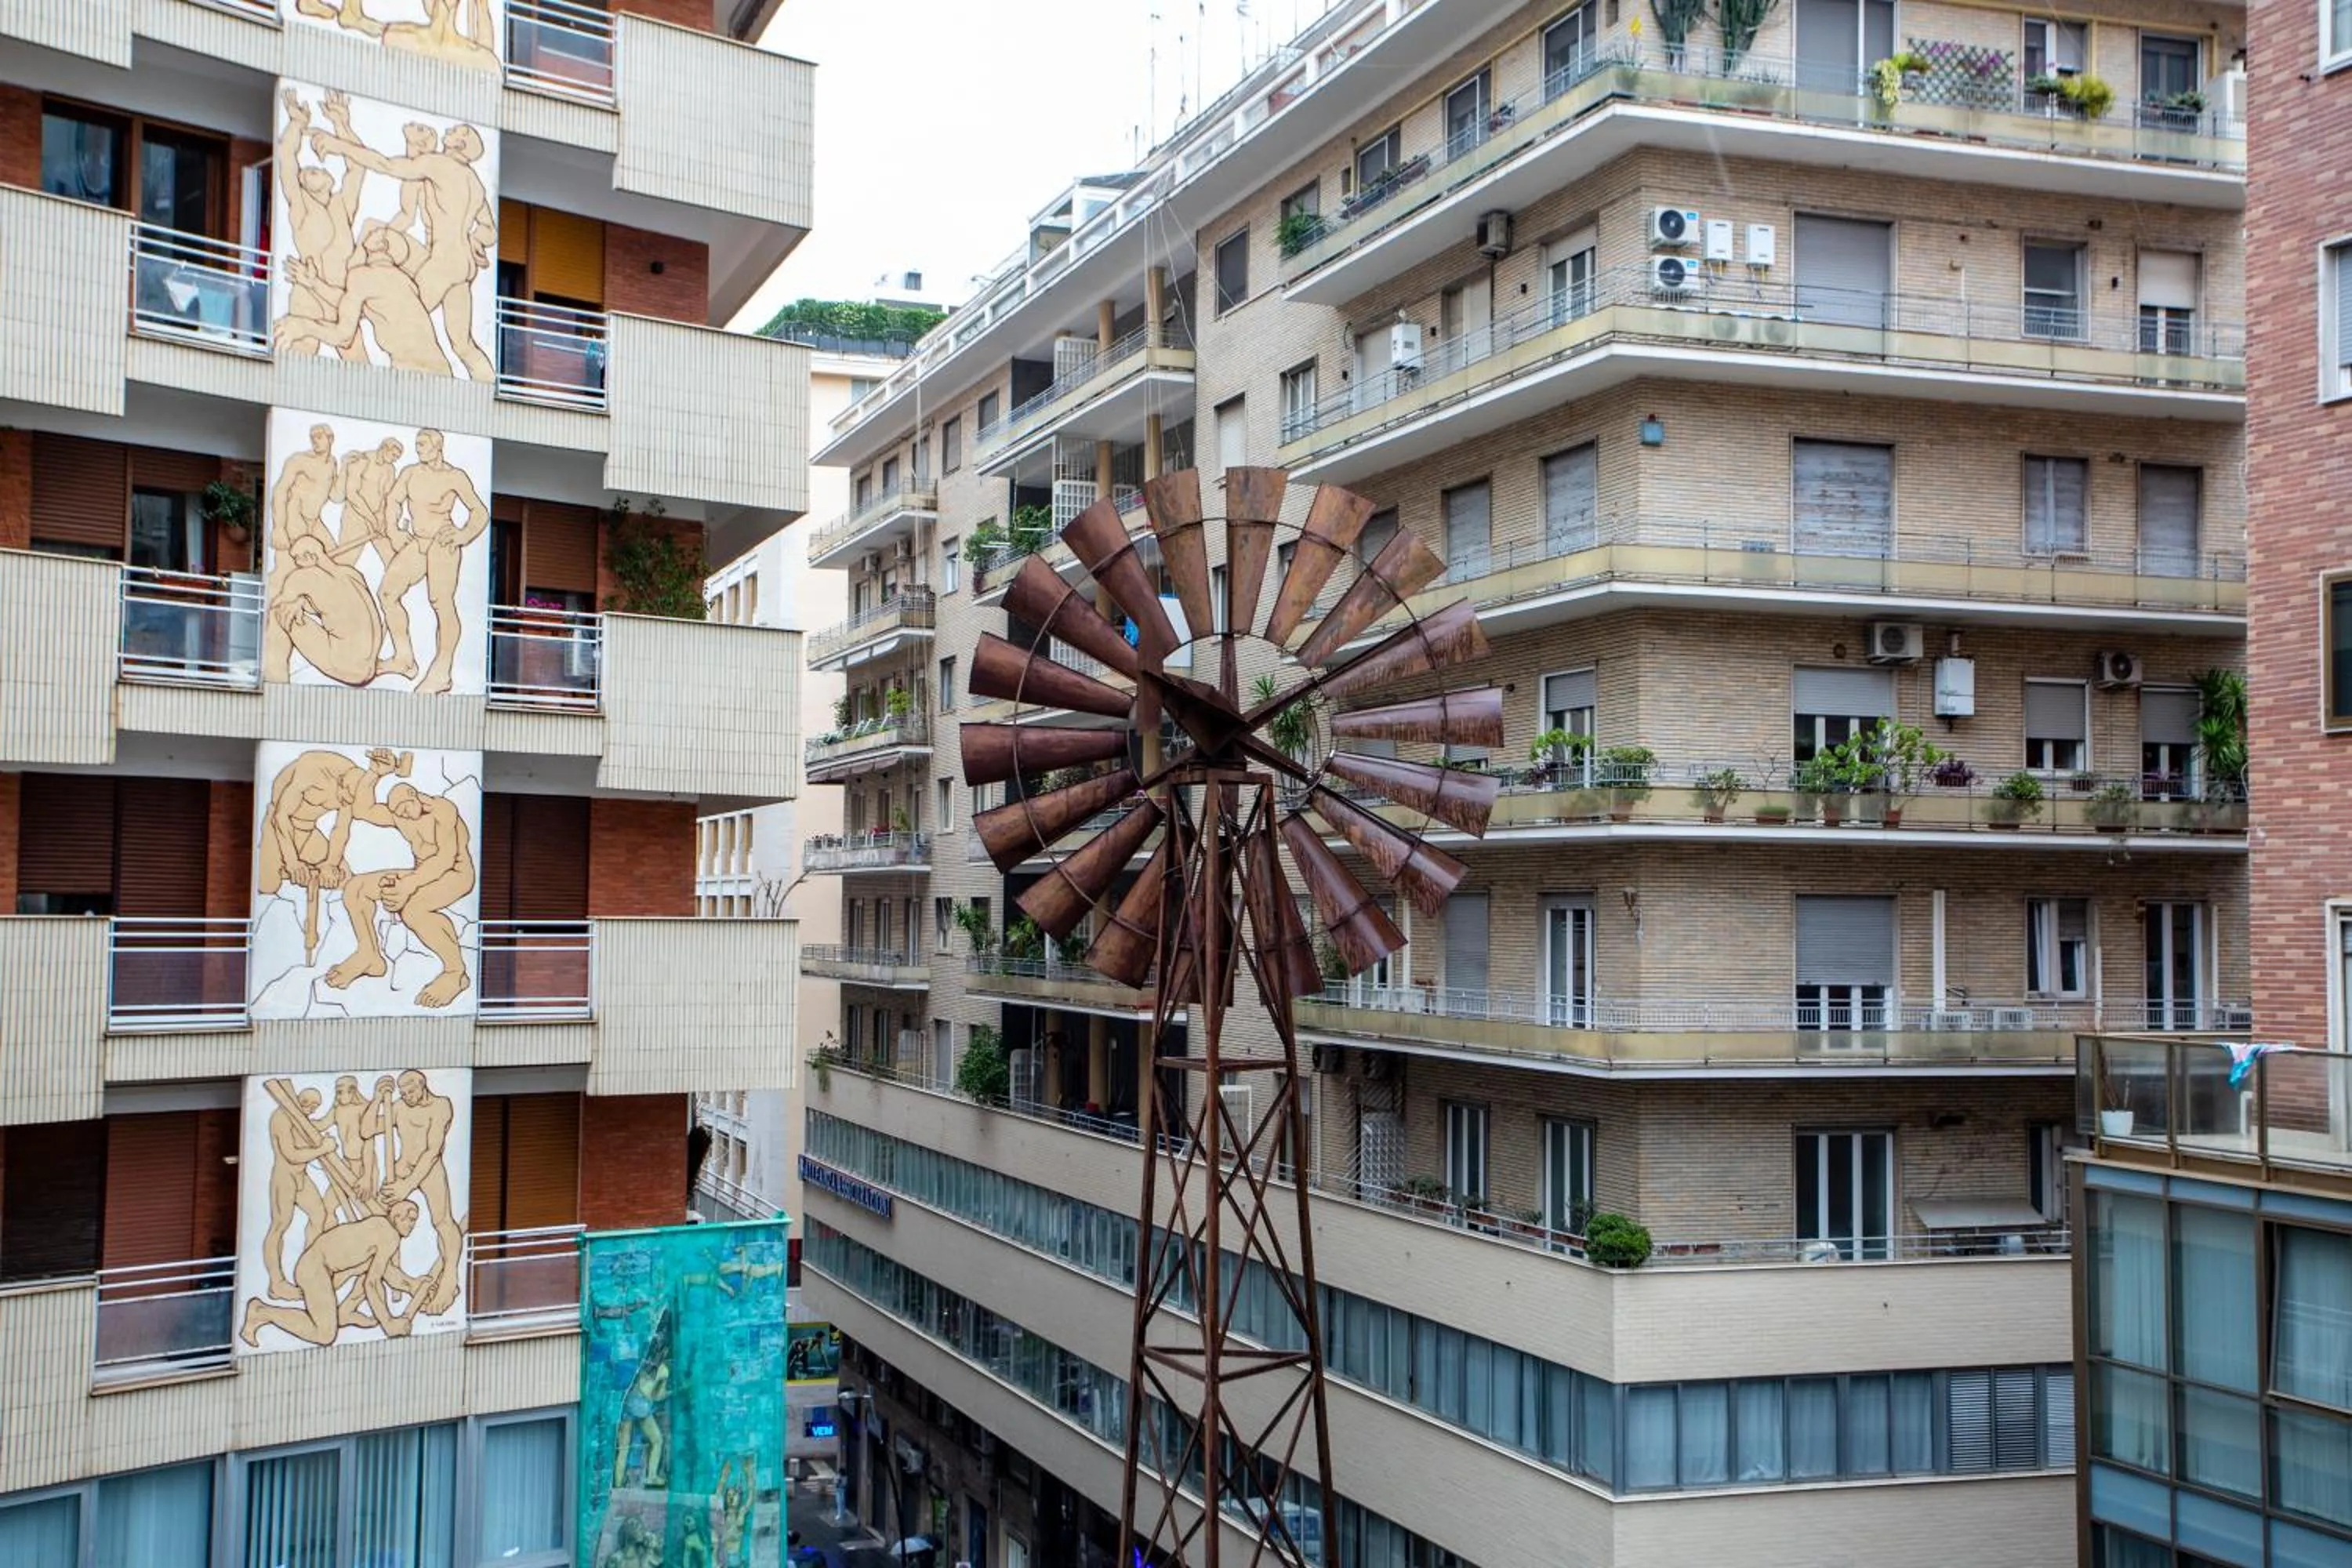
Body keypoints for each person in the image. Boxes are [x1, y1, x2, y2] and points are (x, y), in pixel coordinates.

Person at [307, 122, 498, 380]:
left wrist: (339, 146)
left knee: (403, 314)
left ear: (461, 145)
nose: (449, 130)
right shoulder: (475, 183)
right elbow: (490, 230)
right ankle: (486, 393)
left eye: (457, 132)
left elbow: (386, 165)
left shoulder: (439, 165)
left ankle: (410, 381)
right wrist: (474, 239)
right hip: (463, 266)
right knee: (463, 344)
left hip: (443, 263)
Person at [324, 755, 476, 1010]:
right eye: (398, 813)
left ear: (415, 797)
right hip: (421, 874)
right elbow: (363, 810)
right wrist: (374, 774)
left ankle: (455, 973)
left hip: (456, 874)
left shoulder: (443, 811)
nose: (403, 816)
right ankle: (369, 955)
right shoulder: (400, 815)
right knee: (356, 888)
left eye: (406, 809)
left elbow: (445, 858)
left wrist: (408, 885)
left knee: (414, 909)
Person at [377, 428, 488, 694]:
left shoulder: (454, 476)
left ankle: (442, 673)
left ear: (438, 446)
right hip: (417, 542)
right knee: (387, 593)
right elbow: (393, 501)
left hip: (443, 544)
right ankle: (404, 658)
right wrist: (394, 531)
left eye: (423, 444)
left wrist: (463, 535)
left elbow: (480, 512)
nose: (418, 448)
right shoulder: (410, 473)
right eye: (417, 444)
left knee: (441, 602)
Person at [240, 1200, 420, 1348]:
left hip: (320, 1269)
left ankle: (343, 1313)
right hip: (315, 1268)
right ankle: (261, 1312)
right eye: (410, 1219)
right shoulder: (389, 1236)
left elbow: (385, 1274)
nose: (412, 1225)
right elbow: (372, 1284)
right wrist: (388, 1323)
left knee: (326, 1325)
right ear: (397, 1217)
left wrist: (413, 1285)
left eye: (415, 1221)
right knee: (325, 1334)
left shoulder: (381, 1226)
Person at [278, 228, 452, 374]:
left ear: (382, 245)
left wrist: (303, 326)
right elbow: (350, 303)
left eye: (379, 231)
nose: (372, 230)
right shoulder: (403, 282)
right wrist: (314, 284)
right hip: (439, 373)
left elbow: (344, 337)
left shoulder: (362, 276)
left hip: (414, 373)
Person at [274, 89, 366, 349]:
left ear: (330, 180)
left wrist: (341, 124)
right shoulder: (301, 206)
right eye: (306, 172)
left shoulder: (342, 206)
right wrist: (296, 123)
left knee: (359, 365)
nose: (308, 171)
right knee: (298, 363)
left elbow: (358, 166)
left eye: (316, 170)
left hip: (340, 297)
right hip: (307, 295)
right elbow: (286, 157)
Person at [377, 1070, 464, 1312]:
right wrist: (377, 1098)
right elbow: (367, 1131)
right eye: (403, 1093)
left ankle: (449, 1279)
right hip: (402, 1167)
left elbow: (433, 1150)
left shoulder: (441, 1105)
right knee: (377, 1219)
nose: (407, 1097)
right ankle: (400, 1282)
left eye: (411, 1092)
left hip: (429, 1169)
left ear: (422, 1085)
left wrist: (407, 1186)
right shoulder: (397, 1107)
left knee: (443, 1221)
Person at [260, 1087, 336, 1300]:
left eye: (315, 1106)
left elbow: (321, 1124)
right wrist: (323, 1149)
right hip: (284, 1178)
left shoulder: (301, 1118)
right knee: (280, 1226)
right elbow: (291, 1155)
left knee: (319, 1215)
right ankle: (277, 1283)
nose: (310, 1109)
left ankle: (309, 1269)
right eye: (306, 1103)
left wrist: (337, 1105)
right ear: (296, 1099)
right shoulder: (281, 1117)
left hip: (301, 1178)